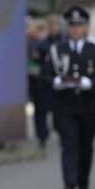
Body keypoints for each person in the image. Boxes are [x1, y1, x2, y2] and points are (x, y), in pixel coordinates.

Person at [42, 6, 95, 189]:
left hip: (88, 106)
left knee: (86, 145)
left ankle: (83, 184)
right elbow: (45, 76)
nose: (76, 29)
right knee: (69, 143)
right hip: (65, 105)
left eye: (79, 25)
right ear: (67, 27)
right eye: (72, 25)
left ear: (85, 27)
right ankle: (69, 185)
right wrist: (56, 82)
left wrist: (90, 83)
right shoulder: (57, 49)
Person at [32, 15, 64, 147]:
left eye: (55, 25)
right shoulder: (42, 44)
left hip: (60, 82)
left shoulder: (64, 42)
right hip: (44, 82)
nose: (53, 28)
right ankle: (42, 137)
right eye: (50, 25)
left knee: (61, 112)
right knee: (40, 112)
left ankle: (63, 134)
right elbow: (35, 62)